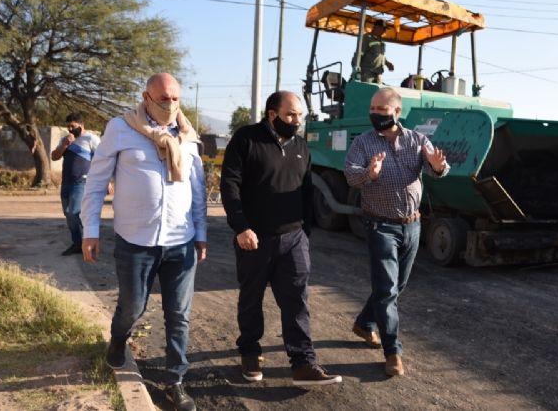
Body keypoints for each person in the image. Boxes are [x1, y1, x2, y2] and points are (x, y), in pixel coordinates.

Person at [81, 73, 206, 411]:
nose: (170, 104)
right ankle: (119, 339)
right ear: (146, 97)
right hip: (135, 241)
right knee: (133, 308)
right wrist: (89, 230)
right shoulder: (120, 128)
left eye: (175, 99)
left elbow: (197, 190)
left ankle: (175, 382)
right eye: (163, 98)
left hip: (181, 242)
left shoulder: (188, 136)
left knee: (179, 314)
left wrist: (202, 232)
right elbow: (95, 182)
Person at [221, 90, 342, 387]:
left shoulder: (301, 146)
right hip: (254, 239)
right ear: (272, 115)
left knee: (297, 300)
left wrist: (306, 232)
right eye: (291, 115)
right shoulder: (246, 139)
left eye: (300, 115)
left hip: (294, 238)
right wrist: (241, 227)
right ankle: (250, 352)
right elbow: (230, 185)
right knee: (252, 298)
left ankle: (303, 362)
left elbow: (305, 191)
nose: (297, 121)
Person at [344, 87, 449, 377]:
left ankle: (365, 323)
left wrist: (439, 168)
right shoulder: (363, 143)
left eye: (381, 109)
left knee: (395, 286)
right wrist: (370, 174)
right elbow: (350, 174)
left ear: (397, 112)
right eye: (372, 109)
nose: (375, 114)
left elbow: (438, 165)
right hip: (379, 226)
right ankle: (392, 351)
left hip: (413, 226)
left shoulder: (417, 140)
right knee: (388, 289)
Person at [50, 112, 100, 256]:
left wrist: (106, 181)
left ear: (81, 125)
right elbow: (54, 157)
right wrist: (65, 144)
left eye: (73, 126)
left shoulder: (91, 138)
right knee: (68, 213)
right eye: (68, 127)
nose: (70, 129)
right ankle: (79, 242)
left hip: (82, 182)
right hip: (66, 182)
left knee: (73, 212)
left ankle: (84, 242)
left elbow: (101, 160)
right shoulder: (65, 139)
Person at [355, 19, 394, 84]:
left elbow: (381, 56)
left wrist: (387, 63)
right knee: (367, 91)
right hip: (367, 73)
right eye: (383, 29)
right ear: (376, 27)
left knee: (378, 92)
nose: (384, 31)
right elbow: (359, 54)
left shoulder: (381, 41)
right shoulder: (367, 38)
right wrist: (355, 69)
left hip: (378, 73)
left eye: (385, 29)